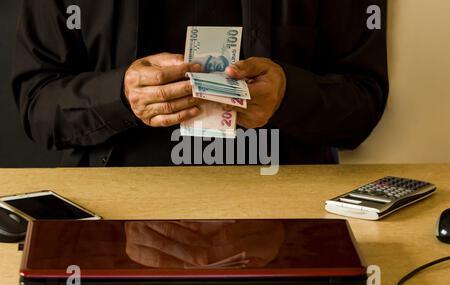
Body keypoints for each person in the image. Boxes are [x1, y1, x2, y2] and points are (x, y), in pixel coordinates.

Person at [12, 0, 388, 167]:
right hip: (114, 207)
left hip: (282, 202)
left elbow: (363, 102)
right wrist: (120, 97)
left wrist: (290, 95)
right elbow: (37, 105)